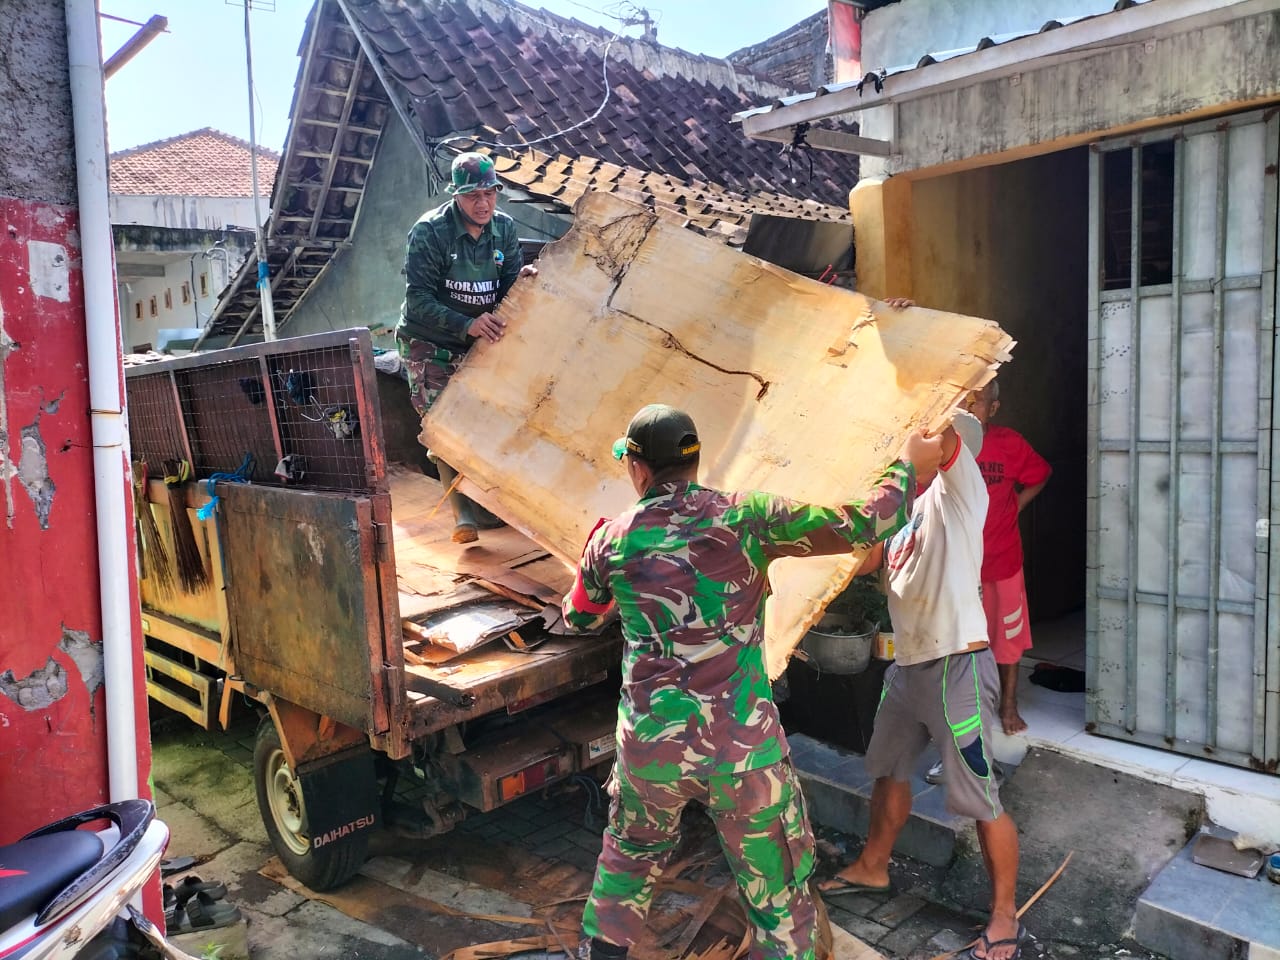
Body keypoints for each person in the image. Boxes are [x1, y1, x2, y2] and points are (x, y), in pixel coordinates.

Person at [558, 403, 943, 960]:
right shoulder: (749, 517)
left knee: (625, 872)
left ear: (638, 468)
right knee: (779, 902)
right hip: (742, 753)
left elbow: (581, 617)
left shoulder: (611, 540)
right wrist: (907, 466)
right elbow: (865, 523)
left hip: (650, 753)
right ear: (694, 461)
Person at [819, 410, 1029, 960]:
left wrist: (899, 435)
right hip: (909, 668)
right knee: (888, 770)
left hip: (958, 668)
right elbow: (864, 561)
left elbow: (934, 440)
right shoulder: (905, 511)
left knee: (980, 800)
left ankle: (1005, 918)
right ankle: (872, 868)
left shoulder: (961, 491)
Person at [396, 151, 535, 543]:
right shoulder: (430, 232)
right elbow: (419, 299)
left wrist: (525, 282)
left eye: (490, 193)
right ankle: (463, 518)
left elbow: (507, 290)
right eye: (473, 195)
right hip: (429, 341)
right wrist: (467, 324)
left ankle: (486, 509)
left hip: (480, 339)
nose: (483, 203)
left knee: (489, 420)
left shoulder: (504, 230)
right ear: (456, 196)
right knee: (442, 422)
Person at [969, 379, 1051, 736]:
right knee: (964, 641)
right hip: (961, 566)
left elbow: (1040, 475)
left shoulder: (1009, 444)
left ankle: (1008, 705)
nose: (970, 407)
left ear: (993, 409)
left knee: (1007, 637)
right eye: (965, 400)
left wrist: (1015, 506)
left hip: (1003, 560)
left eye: (979, 402)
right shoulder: (944, 446)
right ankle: (966, 709)